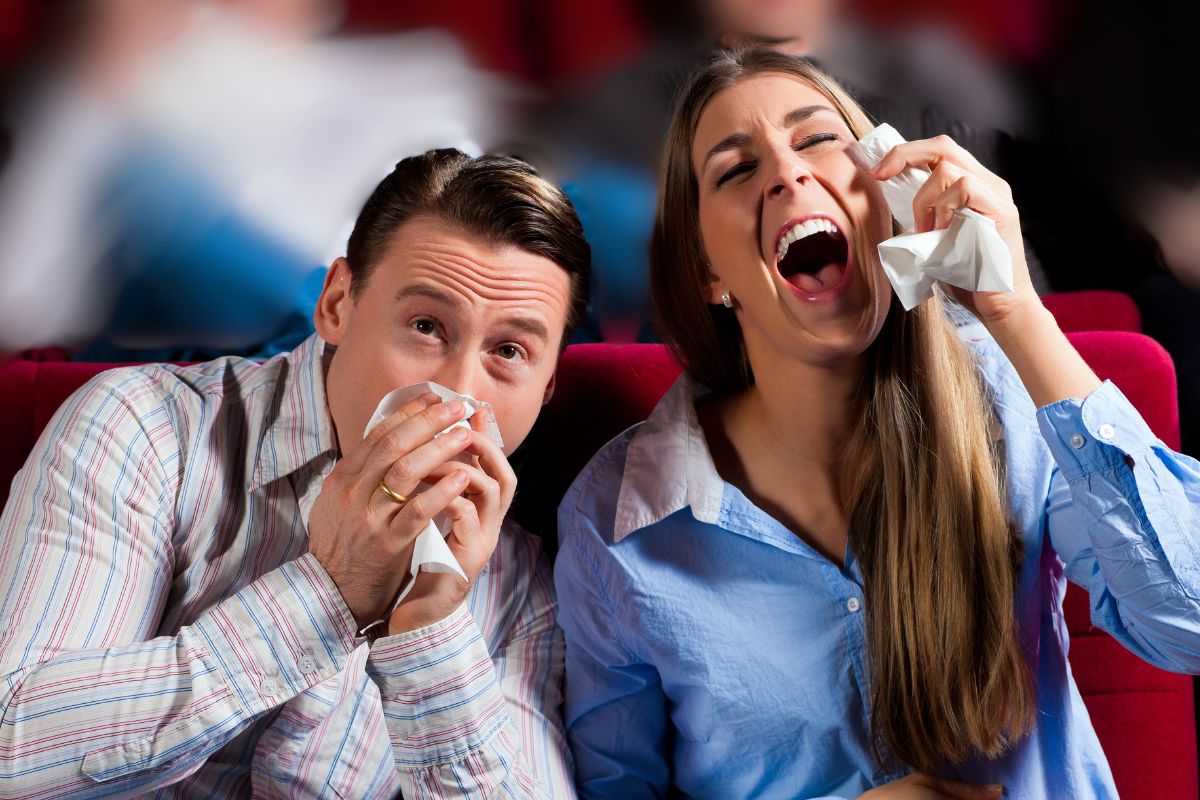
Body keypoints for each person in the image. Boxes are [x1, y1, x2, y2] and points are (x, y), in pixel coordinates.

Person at [554, 49, 1200, 798]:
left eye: (819, 140)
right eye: (735, 170)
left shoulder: (1010, 402)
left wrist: (1018, 310)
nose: (789, 175)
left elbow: (1186, 618)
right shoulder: (615, 523)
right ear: (709, 274)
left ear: (888, 193)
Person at [0, 148, 587, 798]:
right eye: (425, 326)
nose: (455, 394)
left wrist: (433, 635)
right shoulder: (142, 428)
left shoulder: (520, 589)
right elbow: (11, 750)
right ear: (338, 304)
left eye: (509, 351)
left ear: (549, 384)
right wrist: (330, 593)